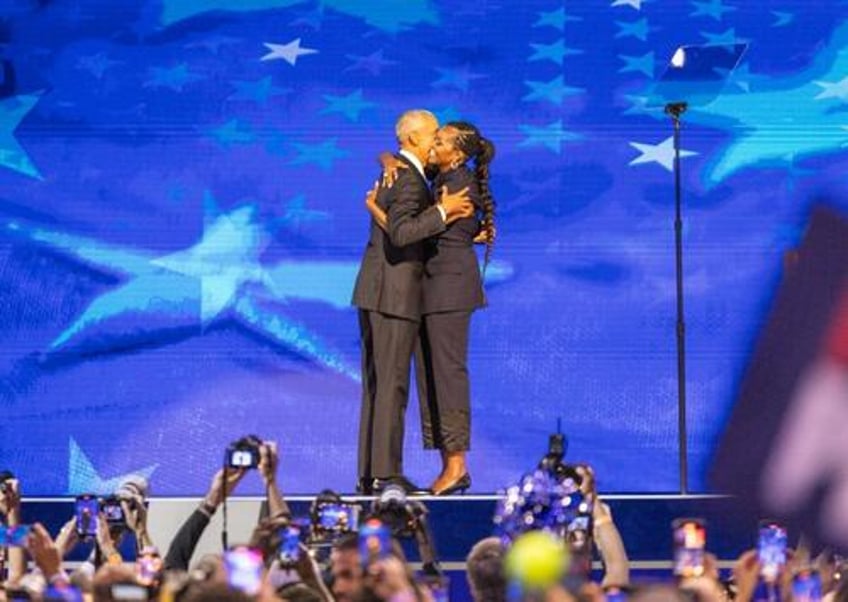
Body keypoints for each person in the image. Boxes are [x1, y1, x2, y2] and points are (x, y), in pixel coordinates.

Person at [367, 121, 495, 495]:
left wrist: (375, 208)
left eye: (440, 141)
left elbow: (415, 231)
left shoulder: (459, 185)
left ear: (457, 152)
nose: (433, 146)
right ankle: (449, 466)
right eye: (433, 139)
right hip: (432, 291)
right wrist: (388, 157)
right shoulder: (441, 178)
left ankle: (456, 467)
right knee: (432, 378)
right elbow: (403, 158)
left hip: (449, 291)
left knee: (448, 376)